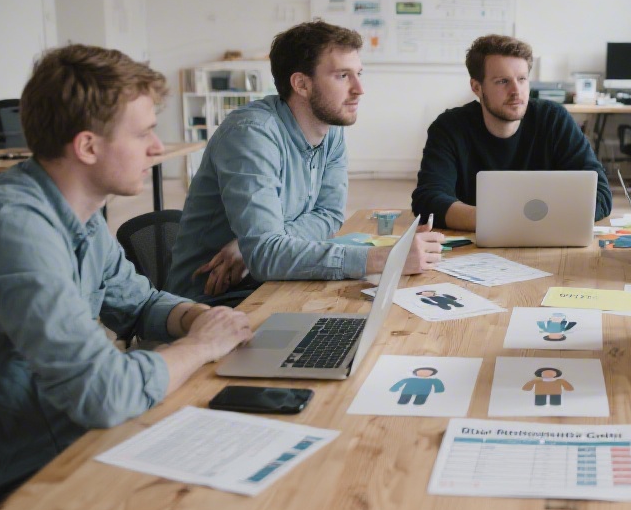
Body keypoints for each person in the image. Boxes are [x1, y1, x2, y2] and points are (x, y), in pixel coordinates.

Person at [0, 45, 253, 510]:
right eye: (144, 132)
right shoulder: (13, 227)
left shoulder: (77, 216)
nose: (158, 147)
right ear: (87, 147)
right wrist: (200, 346)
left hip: (51, 452)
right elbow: (103, 393)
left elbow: (139, 302)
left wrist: (197, 316)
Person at [165, 20, 443, 302]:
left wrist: (253, 246)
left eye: (359, 73)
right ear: (301, 84)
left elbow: (329, 215)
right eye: (342, 76)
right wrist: (385, 258)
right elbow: (266, 257)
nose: (360, 89)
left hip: (272, 282)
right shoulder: (250, 135)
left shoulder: (330, 131)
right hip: (214, 302)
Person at [411, 34, 611, 231]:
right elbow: (428, 200)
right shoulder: (449, 127)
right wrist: (505, 221)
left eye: (522, 79)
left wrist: (526, 222)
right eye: (502, 81)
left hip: (546, 240)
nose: (516, 91)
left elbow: (600, 194)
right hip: (473, 246)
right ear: (476, 87)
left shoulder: (553, 119)